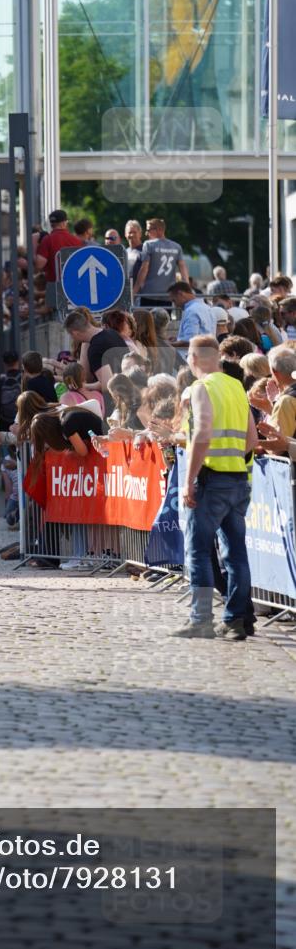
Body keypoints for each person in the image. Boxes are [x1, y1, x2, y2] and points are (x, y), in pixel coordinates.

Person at [175, 335, 258, 641]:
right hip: (238, 480)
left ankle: (201, 620)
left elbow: (203, 433)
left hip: (210, 479)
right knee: (236, 553)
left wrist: (189, 480)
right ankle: (236, 620)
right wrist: (235, 458)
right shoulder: (236, 386)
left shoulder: (202, 387)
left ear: (195, 358)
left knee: (197, 550)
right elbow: (252, 439)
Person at [64, 308, 132, 414]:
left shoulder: (95, 348)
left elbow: (107, 384)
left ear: (75, 333)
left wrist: (85, 386)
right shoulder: (112, 334)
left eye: (71, 335)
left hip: (116, 405)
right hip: (131, 394)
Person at [133, 218, 189, 309]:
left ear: (159, 230)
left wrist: (135, 290)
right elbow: (183, 269)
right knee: (165, 322)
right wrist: (188, 289)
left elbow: (144, 269)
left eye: (148, 230)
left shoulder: (148, 245)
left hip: (149, 294)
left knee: (148, 322)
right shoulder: (177, 247)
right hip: (168, 295)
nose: (146, 233)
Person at [35, 209, 84, 284]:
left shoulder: (47, 240)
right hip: (74, 285)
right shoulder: (77, 241)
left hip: (54, 285)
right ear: (65, 223)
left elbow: (39, 264)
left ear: (51, 224)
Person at [170, 282, 216, 353]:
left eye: (174, 300)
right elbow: (201, 335)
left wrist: (167, 345)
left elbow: (189, 342)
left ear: (180, 294)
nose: (175, 305)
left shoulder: (191, 311)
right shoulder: (207, 308)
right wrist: (178, 339)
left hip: (194, 357)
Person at [0, 350, 22, 431]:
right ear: (18, 362)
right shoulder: (24, 379)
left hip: (5, 424)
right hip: (21, 423)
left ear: (4, 364)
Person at [124, 219, 144, 286]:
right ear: (125, 234)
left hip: (141, 293)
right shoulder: (125, 252)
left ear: (140, 234)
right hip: (127, 291)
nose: (132, 235)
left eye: (134, 232)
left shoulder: (145, 250)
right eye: (129, 232)